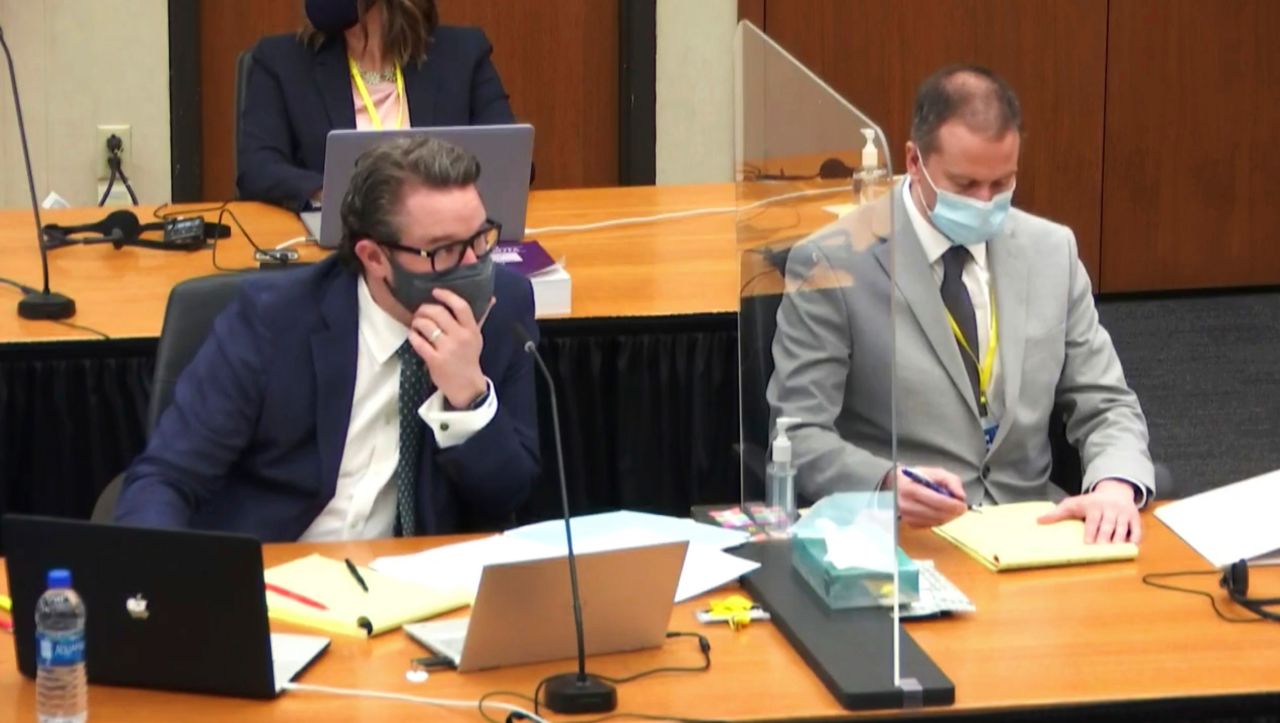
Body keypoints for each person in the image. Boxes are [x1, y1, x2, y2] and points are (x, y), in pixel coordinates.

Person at [767, 65, 1154, 544]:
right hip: (907, 538)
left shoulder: (1052, 251)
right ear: (913, 161)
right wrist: (886, 483)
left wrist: (1115, 485)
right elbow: (798, 434)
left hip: (1033, 533)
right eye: (965, 185)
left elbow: (1106, 402)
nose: (985, 202)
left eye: (1002, 184)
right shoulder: (832, 261)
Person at [116, 136, 539, 541]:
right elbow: (165, 478)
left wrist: (468, 396)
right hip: (280, 574)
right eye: (443, 250)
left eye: (480, 239)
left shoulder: (502, 310)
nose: (473, 264)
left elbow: (509, 495)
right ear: (373, 257)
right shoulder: (272, 320)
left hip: (416, 585)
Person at [237, 0, 515, 210]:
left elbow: (511, 158)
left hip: (442, 239)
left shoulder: (463, 53)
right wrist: (333, 194)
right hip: (338, 247)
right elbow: (258, 168)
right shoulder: (280, 60)